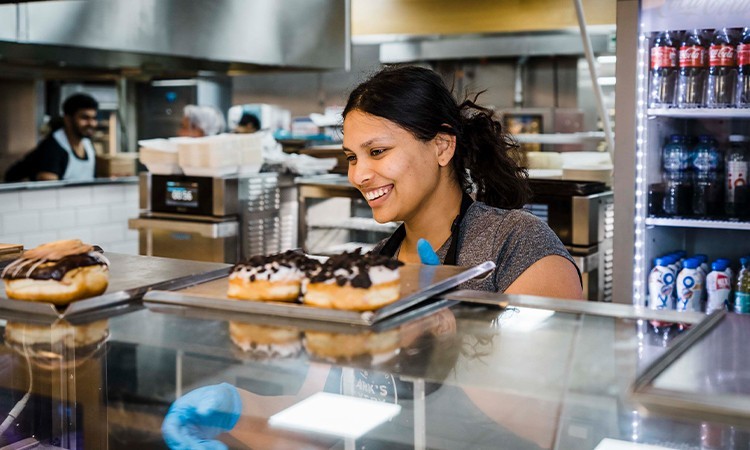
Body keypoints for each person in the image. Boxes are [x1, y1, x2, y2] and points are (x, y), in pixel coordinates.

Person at [344, 66, 582, 299]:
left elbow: (555, 337)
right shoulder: (378, 263)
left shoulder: (516, 242)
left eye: (377, 151)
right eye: (352, 157)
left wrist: (449, 326)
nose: (357, 176)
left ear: (442, 146)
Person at [5, 94, 99, 182]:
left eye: (94, 118)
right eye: (84, 118)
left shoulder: (87, 144)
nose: (91, 123)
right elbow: (49, 189)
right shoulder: (52, 148)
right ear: (68, 120)